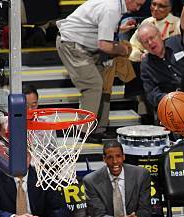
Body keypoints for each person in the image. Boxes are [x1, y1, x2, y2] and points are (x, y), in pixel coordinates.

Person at [56, 0, 145, 143]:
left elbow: (96, 25)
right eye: (138, 4)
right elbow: (104, 45)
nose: (137, 9)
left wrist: (119, 29)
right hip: (72, 45)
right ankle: (84, 131)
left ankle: (99, 128)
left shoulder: (114, 6)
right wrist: (122, 49)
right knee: (93, 85)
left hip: (86, 46)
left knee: (103, 83)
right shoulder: (112, 8)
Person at [138, 24, 184, 111]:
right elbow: (151, 93)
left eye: (152, 38)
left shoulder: (178, 42)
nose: (150, 43)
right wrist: (169, 98)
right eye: (145, 42)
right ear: (143, 46)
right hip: (172, 105)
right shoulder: (146, 65)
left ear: (160, 35)